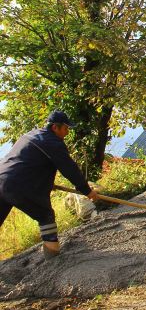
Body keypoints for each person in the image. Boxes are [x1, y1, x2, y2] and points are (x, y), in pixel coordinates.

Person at [0, 111, 98, 259]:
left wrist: (45, 182)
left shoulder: (29, 135)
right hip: (19, 186)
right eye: (66, 128)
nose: (67, 132)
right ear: (55, 127)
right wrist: (87, 191)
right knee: (46, 216)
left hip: (2, 181)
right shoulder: (52, 143)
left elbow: (24, 163)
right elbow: (69, 169)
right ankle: (53, 258)